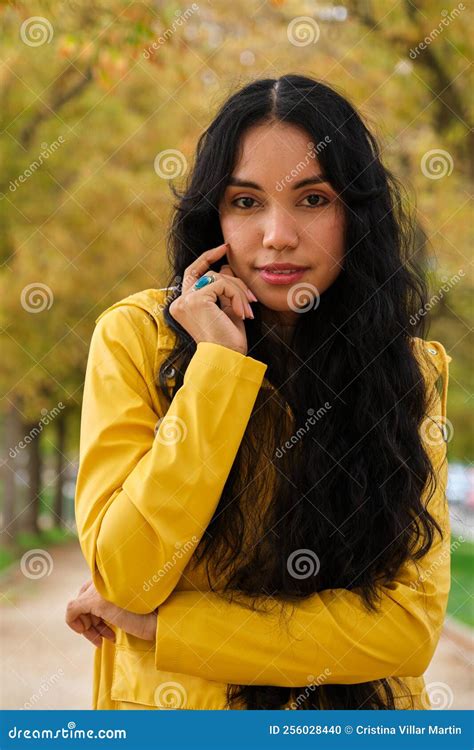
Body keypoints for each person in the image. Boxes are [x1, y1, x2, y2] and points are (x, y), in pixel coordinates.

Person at [66, 74, 452, 710]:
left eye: (313, 199)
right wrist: (218, 368)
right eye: (246, 202)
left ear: (356, 214)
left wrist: (172, 628)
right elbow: (129, 575)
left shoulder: (409, 372)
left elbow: (405, 632)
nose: (277, 235)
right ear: (212, 216)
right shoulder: (135, 341)